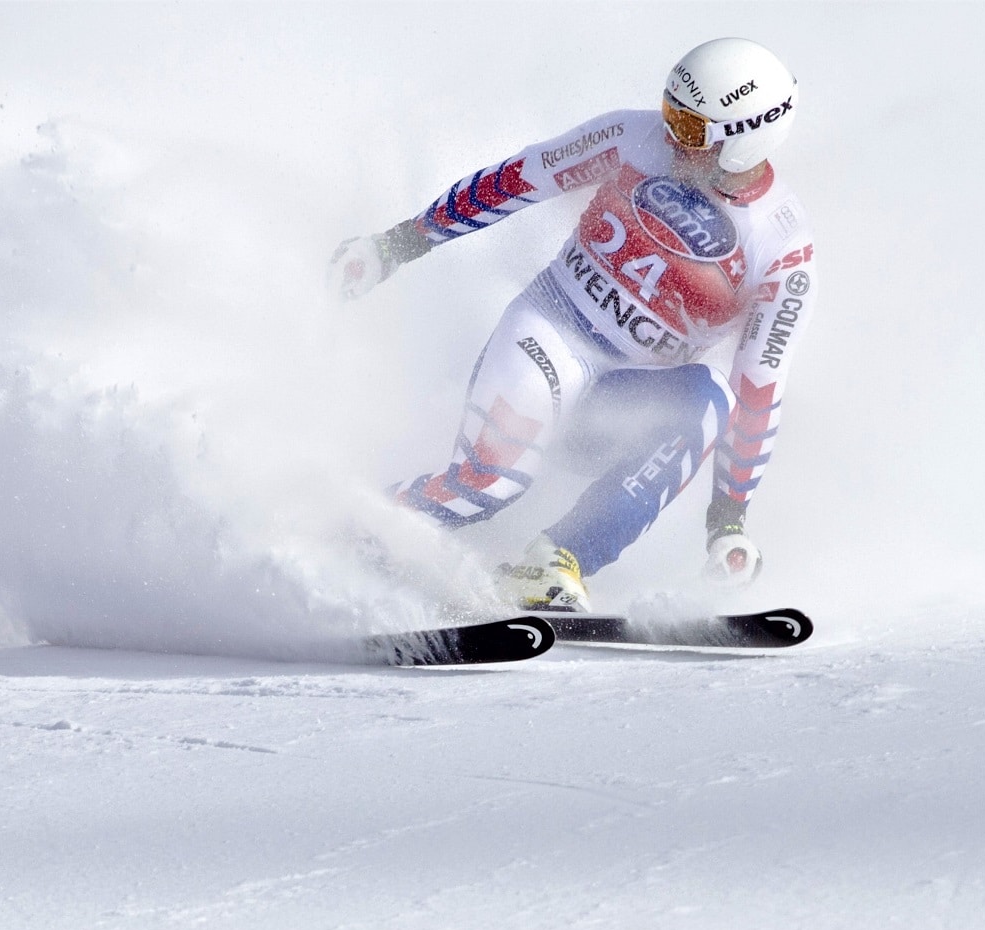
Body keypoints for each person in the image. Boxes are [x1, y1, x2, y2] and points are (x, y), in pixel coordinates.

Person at [329, 37, 817, 612]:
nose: (670, 135)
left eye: (688, 127)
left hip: (620, 404)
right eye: (669, 112)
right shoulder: (631, 138)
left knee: (710, 399)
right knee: (489, 486)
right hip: (550, 336)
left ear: (742, 141)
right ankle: (347, 534)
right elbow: (516, 181)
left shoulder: (782, 246)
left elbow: (759, 387)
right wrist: (396, 245)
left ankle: (555, 562)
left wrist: (728, 519)